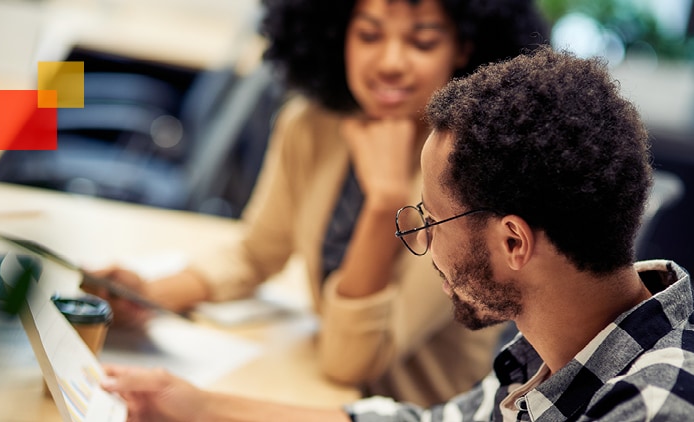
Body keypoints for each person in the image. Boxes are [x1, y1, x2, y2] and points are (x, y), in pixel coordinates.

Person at [100, 46, 694, 421]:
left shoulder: (649, 405)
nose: (424, 241)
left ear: (514, 242)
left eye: (433, 220)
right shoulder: (553, 354)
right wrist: (196, 406)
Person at [86, 0, 549, 405]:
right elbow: (255, 253)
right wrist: (147, 295)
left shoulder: (473, 172)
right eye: (368, 35)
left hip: (408, 407)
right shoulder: (312, 124)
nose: (389, 62)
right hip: (315, 387)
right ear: (337, 35)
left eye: (421, 42)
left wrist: (383, 200)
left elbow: (354, 361)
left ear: (464, 49)